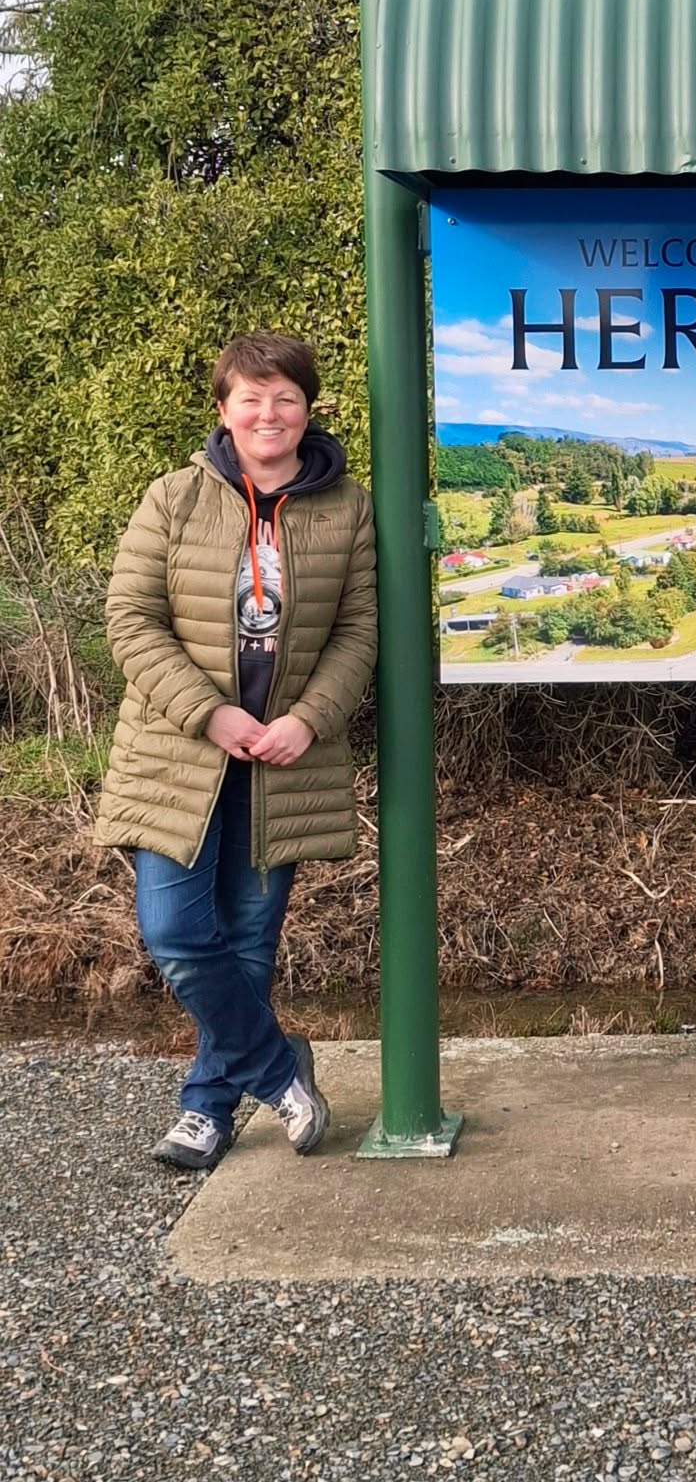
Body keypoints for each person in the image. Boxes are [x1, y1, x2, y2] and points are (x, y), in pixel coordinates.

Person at [96, 332, 377, 1171]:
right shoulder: (175, 498)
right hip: (179, 753)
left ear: (308, 410)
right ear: (223, 410)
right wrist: (208, 713)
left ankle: (206, 1109)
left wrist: (309, 720)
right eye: (250, 398)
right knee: (176, 932)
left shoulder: (347, 506)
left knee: (251, 942)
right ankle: (280, 1068)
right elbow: (130, 620)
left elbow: (360, 630)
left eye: (285, 397)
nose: (268, 413)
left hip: (281, 760)